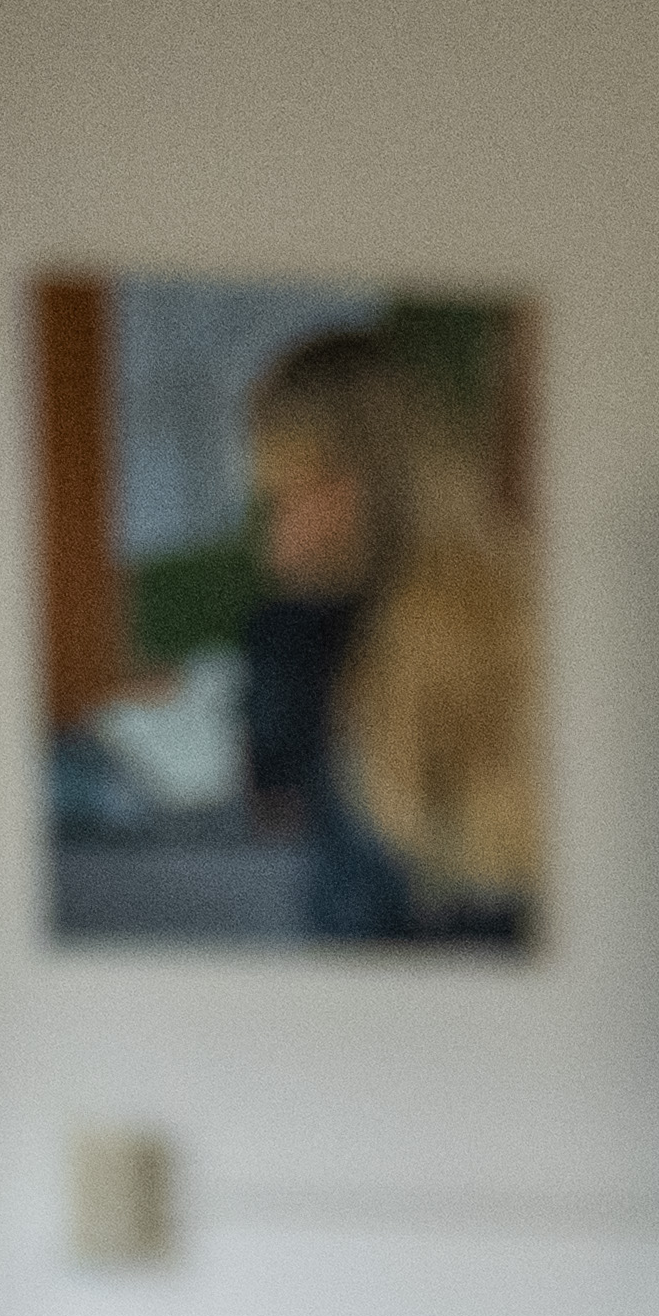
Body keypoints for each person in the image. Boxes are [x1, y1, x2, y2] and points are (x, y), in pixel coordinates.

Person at [236, 322, 532, 948]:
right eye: (277, 500)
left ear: (372, 480)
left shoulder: (448, 623)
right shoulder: (328, 625)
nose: (283, 533)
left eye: (301, 492)